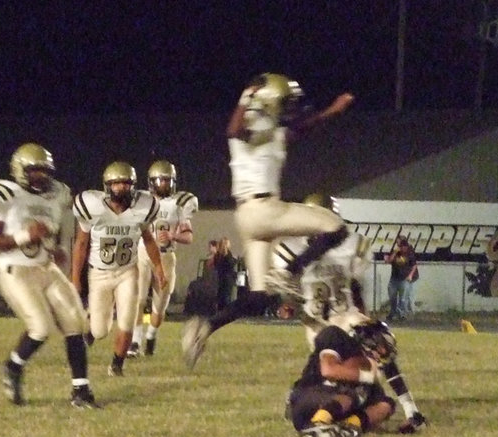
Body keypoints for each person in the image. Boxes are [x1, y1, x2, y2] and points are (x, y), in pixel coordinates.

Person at [181, 73, 356, 368]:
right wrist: (246, 97)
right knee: (335, 227)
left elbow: (301, 127)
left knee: (260, 296)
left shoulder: (272, 129)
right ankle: (291, 270)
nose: (291, 109)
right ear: (270, 102)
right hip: (264, 209)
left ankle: (204, 328)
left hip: (249, 216)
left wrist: (332, 112)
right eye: (286, 103)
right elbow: (234, 131)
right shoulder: (252, 126)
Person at [0, 142, 98, 408]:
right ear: (19, 170)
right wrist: (24, 236)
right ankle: (13, 367)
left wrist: (57, 249)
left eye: (44, 171)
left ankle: (81, 391)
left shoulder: (57, 194)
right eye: (34, 171)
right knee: (40, 328)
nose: (41, 176)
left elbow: (55, 229)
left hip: (46, 267)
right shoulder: (5, 194)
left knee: (76, 323)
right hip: (16, 269)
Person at [272, 231, 428, 433]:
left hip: (345, 314)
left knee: (378, 343)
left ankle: (410, 409)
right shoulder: (293, 250)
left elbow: (355, 285)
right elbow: (285, 290)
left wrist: (364, 315)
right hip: (317, 322)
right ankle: (305, 400)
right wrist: (289, 306)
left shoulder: (348, 247)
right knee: (336, 376)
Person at [71, 161, 166, 377]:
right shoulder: (91, 206)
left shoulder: (143, 207)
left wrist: (159, 268)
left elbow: (149, 239)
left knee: (127, 319)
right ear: (107, 186)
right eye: (116, 184)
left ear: (133, 186)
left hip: (127, 271)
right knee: (99, 330)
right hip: (99, 273)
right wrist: (75, 278)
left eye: (126, 183)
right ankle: (90, 324)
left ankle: (117, 365)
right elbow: (81, 244)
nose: (121, 188)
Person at [286, 322, 398, 437]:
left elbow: (380, 407)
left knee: (386, 403)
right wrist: (366, 376)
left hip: (337, 409)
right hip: (307, 398)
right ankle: (318, 422)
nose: (381, 353)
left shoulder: (370, 380)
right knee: (355, 392)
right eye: (381, 346)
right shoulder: (336, 336)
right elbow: (329, 371)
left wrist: (402, 425)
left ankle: (348, 427)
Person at [128, 160, 195, 358]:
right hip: (143, 253)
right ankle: (135, 341)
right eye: (159, 180)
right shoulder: (141, 199)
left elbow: (189, 237)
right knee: (137, 299)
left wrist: (174, 236)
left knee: (159, 306)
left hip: (166, 256)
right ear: (151, 182)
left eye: (167, 181)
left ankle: (151, 335)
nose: (163, 184)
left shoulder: (179, 203)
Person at [385, 236, 415, 320]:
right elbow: (388, 261)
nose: (400, 247)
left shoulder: (409, 253)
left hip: (404, 278)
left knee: (403, 298)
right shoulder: (395, 252)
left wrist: (410, 275)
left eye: (401, 245)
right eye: (398, 244)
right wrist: (394, 253)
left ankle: (402, 314)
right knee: (392, 296)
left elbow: (414, 265)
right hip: (394, 278)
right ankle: (393, 312)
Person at [213, 237, 238, 311]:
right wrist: (235, 260)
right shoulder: (228, 255)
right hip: (228, 278)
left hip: (220, 278)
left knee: (221, 296)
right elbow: (231, 264)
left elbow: (216, 265)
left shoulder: (217, 255)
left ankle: (220, 312)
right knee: (227, 296)